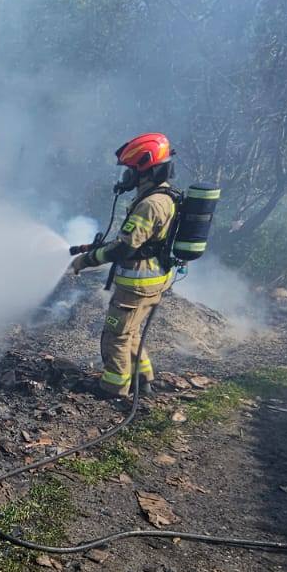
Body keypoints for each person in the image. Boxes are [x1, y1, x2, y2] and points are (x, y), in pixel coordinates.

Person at [71, 132, 178, 399]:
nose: (125, 177)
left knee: (115, 335)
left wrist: (86, 260)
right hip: (152, 280)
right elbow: (136, 241)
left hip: (137, 283)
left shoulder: (151, 204)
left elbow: (124, 248)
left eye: (130, 170)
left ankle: (114, 388)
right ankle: (143, 380)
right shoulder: (162, 197)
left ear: (144, 170)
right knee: (130, 332)